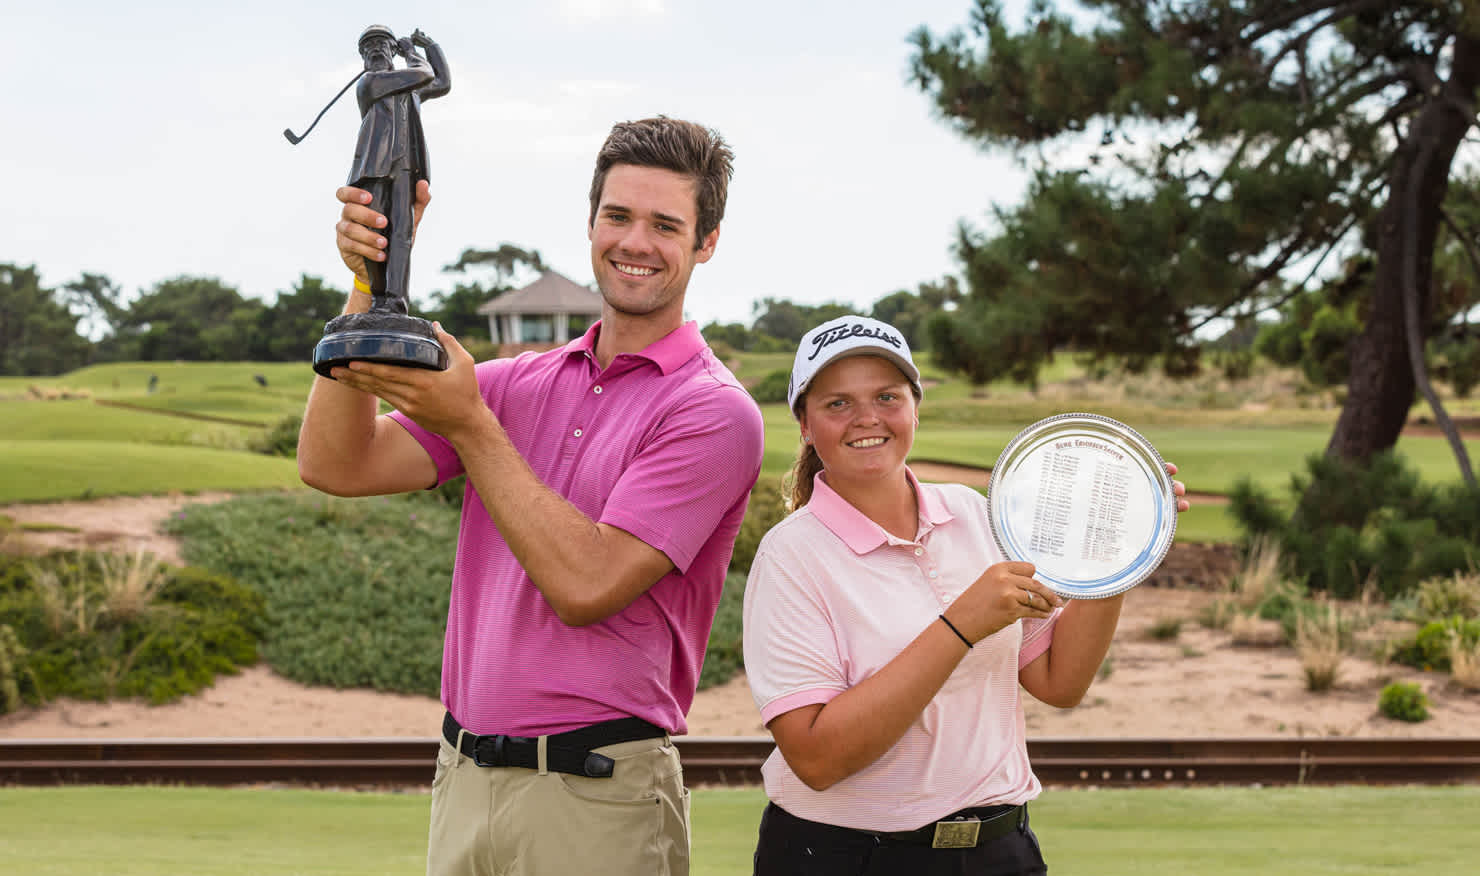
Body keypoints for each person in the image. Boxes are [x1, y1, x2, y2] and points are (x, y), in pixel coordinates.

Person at [297, 117, 765, 876]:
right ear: (590, 224)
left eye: (665, 225)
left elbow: (587, 585)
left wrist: (473, 426)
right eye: (617, 216)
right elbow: (335, 463)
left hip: (596, 796)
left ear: (705, 242)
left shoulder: (712, 411)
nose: (634, 242)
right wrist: (369, 284)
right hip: (464, 778)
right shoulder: (518, 383)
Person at [742, 315, 1189, 875]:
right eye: (837, 404)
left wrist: (1114, 558)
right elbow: (817, 758)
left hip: (999, 851)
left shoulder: (976, 513)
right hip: (846, 855)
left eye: (887, 396)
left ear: (914, 406)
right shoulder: (792, 554)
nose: (867, 419)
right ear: (805, 424)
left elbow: (1060, 681)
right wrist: (959, 627)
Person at [347, 25, 449, 313]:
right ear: (363, 56)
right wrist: (410, 52)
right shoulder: (370, 82)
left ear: (391, 50)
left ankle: (395, 301)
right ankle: (378, 296)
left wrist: (430, 46)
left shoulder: (411, 91)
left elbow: (441, 81)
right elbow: (424, 73)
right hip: (375, 167)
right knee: (374, 232)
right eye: (369, 46)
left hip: (406, 168)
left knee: (401, 233)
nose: (376, 49)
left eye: (382, 44)